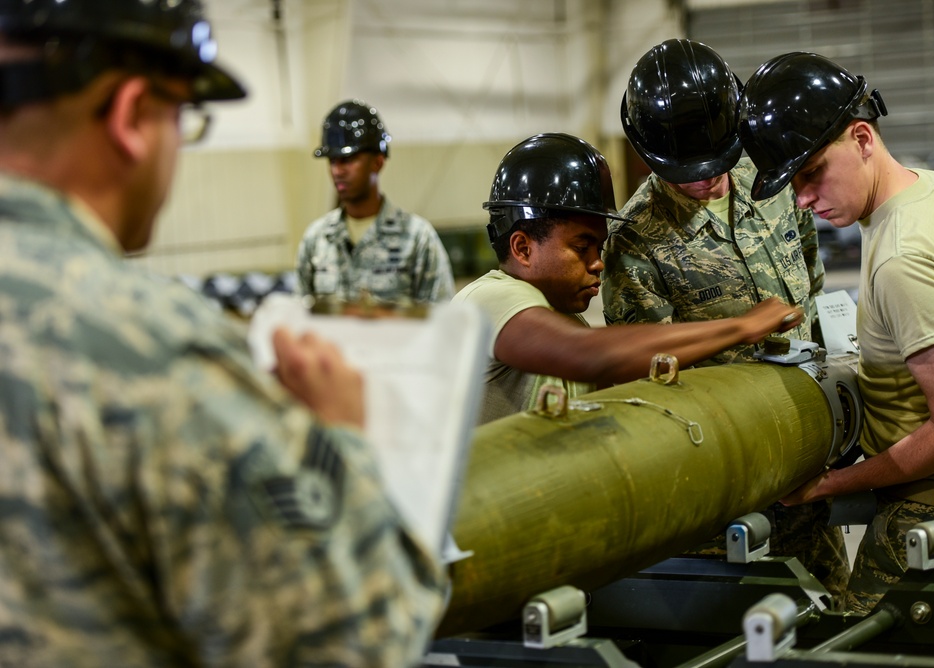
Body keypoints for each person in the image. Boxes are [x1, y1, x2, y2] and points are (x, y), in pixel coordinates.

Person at [0, 1, 444, 666]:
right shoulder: (153, 354)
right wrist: (342, 442)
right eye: (185, 117)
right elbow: (358, 642)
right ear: (131, 116)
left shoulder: (414, 239)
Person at [738, 51, 934, 613]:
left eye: (811, 173)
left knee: (851, 642)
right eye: (793, 184)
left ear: (861, 138)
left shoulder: (903, 257)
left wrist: (831, 485)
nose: (803, 200)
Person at [601, 39, 847, 606]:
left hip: (811, 471)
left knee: (829, 624)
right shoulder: (636, 240)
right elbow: (647, 380)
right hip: (728, 501)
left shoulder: (772, 180)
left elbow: (811, 287)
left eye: (717, 163)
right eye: (687, 172)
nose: (708, 180)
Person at [453, 132, 804, 425]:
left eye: (600, 247)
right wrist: (742, 328)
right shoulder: (487, 301)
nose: (598, 264)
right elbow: (587, 354)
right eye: (582, 246)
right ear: (522, 247)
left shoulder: (561, 317)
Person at [296, 99, 455, 306]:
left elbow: (442, 321)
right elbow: (300, 319)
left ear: (377, 162)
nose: (337, 171)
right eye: (332, 161)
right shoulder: (316, 239)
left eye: (349, 160)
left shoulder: (417, 238)